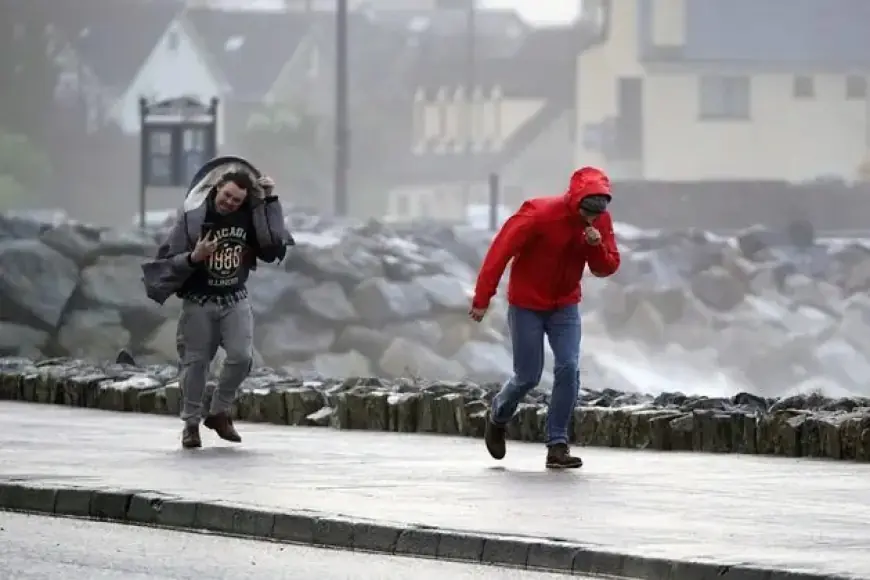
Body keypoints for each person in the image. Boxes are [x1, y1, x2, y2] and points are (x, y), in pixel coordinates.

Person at [469, 166, 620, 469]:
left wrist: (596, 245)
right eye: (587, 212)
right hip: (527, 304)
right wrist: (483, 298)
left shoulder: (600, 221)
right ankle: (498, 416)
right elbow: (500, 252)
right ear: (576, 201)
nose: (591, 219)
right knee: (528, 376)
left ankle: (557, 445)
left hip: (565, 305)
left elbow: (606, 267)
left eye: (597, 213)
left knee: (569, 367)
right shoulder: (539, 214)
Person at [142, 168, 291, 449]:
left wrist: (270, 198)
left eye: (237, 200)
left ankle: (219, 412)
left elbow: (273, 246)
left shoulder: (250, 216)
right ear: (217, 188)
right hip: (199, 301)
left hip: (235, 298)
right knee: (195, 364)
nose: (230, 203)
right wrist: (195, 256)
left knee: (242, 357)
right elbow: (169, 259)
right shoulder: (193, 218)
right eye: (227, 196)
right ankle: (190, 425)